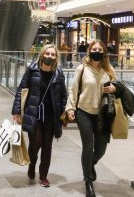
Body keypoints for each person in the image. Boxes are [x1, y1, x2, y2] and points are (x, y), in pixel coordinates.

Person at [64, 40, 117, 197]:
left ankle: (91, 163)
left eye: (100, 49)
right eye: (94, 49)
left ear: (104, 52)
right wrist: (70, 109)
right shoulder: (82, 69)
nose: (97, 51)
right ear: (89, 51)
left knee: (101, 148)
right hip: (84, 112)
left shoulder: (109, 70)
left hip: (102, 114)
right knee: (88, 146)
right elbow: (73, 89)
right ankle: (88, 182)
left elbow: (117, 90)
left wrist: (115, 88)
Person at [11, 44, 67, 188]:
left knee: (47, 146)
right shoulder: (32, 69)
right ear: (42, 54)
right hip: (33, 113)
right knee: (35, 144)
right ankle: (32, 165)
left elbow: (63, 96)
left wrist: (64, 115)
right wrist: (16, 110)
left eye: (53, 55)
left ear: (56, 58)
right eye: (47, 53)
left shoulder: (58, 73)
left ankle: (43, 176)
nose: (50, 56)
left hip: (51, 116)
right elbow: (21, 89)